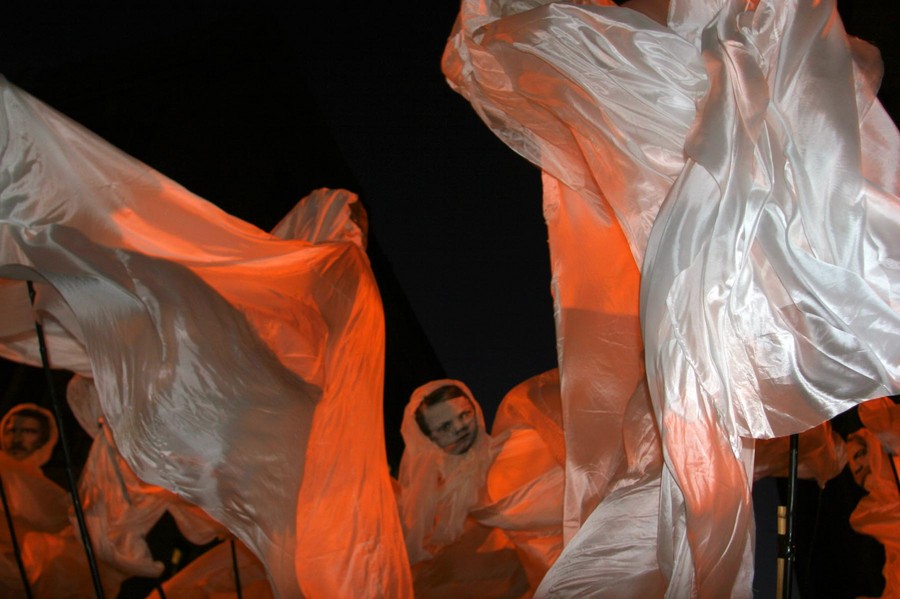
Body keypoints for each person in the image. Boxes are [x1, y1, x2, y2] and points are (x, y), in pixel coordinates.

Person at [443, 0, 899, 595]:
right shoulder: (641, 65)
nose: (456, 430)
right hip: (708, 266)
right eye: (446, 428)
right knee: (686, 440)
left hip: (748, 247)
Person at [398, 379, 530, 598]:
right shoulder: (431, 489)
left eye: (464, 415)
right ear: (429, 437)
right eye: (445, 427)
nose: (460, 428)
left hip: (520, 571)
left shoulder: (508, 455)